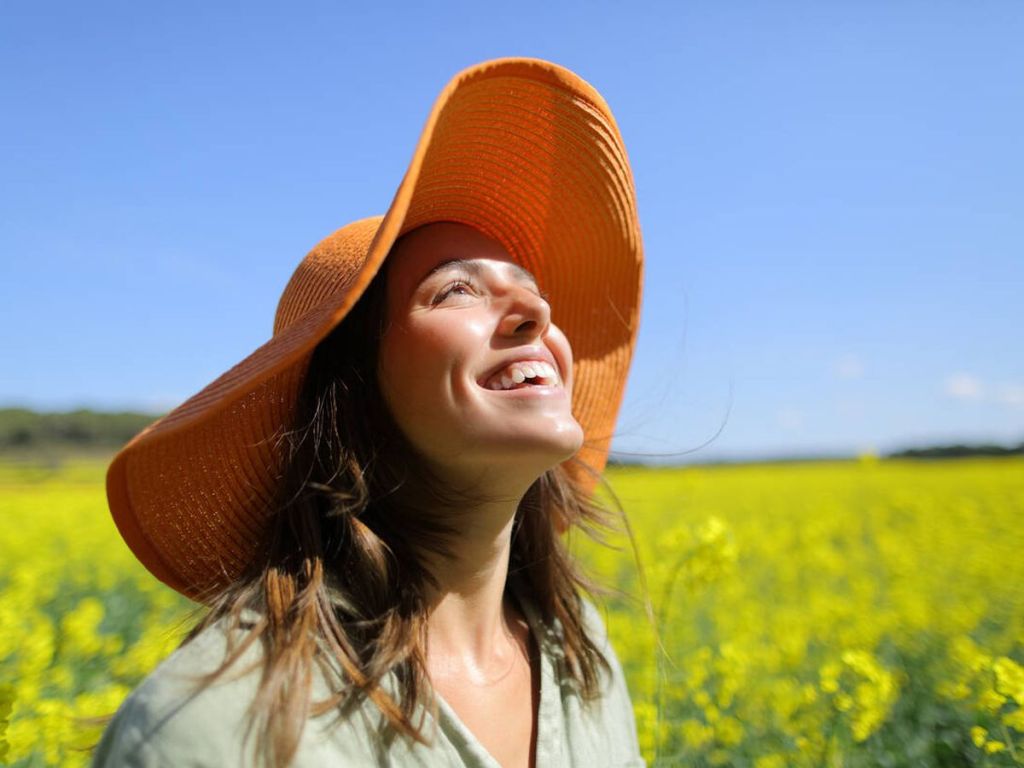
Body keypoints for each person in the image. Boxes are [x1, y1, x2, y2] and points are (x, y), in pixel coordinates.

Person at [93, 57, 645, 767]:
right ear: (350, 393)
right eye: (455, 293)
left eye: (533, 289)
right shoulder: (215, 729)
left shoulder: (581, 654)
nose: (537, 311)